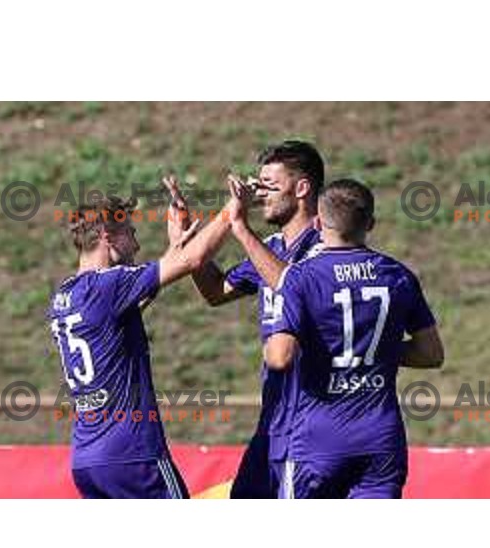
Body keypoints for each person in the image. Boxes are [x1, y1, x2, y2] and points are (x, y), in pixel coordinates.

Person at [237, 179, 444, 498]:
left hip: (316, 440)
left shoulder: (300, 276)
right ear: (371, 224)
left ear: (318, 222)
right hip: (381, 439)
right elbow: (431, 353)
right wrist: (375, 350)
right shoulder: (398, 275)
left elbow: (280, 357)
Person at [47, 194, 235, 498]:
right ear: (108, 237)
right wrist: (232, 212)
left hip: (87, 461)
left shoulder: (66, 295)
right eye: (131, 233)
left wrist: (175, 247)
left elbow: (137, 298)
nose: (135, 245)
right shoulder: (108, 284)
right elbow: (192, 260)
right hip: (133, 455)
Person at [165, 140, 325, 498]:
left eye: (269, 184)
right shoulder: (273, 247)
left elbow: (292, 281)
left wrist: (238, 226)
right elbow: (216, 291)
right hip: (274, 422)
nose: (258, 193)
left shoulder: (327, 246)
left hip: (313, 421)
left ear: (302, 188)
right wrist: (190, 246)